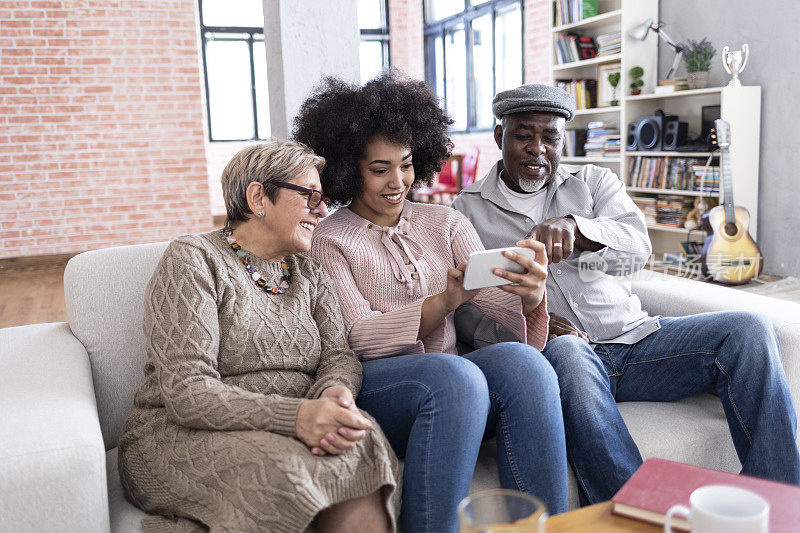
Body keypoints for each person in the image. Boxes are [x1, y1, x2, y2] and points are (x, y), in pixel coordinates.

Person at [451, 83, 800, 504]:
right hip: (562, 357)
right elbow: (466, 314)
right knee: (569, 352)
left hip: (637, 343)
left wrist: (582, 230)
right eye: (524, 135)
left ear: (563, 140)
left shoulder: (595, 183)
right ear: (499, 136)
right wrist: (530, 322)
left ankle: (781, 501)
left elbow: (638, 251)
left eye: (550, 137)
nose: (537, 149)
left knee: (748, 329)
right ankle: (641, 511)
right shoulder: (465, 212)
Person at [294, 73, 568, 533]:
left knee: (526, 363)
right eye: (379, 170)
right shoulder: (328, 240)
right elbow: (359, 337)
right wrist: (445, 301)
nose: (397, 182)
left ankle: (548, 528)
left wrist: (531, 296)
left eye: (405, 165)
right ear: (347, 168)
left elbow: (499, 302)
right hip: (377, 388)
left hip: (455, 387)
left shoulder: (445, 222)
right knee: (455, 373)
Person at [117, 141, 399, 533]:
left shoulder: (309, 271)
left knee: (360, 443)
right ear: (257, 197)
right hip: (179, 433)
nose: (322, 210)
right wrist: (296, 416)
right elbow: (187, 391)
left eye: (324, 199)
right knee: (281, 470)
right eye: (311, 196)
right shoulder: (194, 259)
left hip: (292, 422)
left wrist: (333, 392)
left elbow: (338, 354)